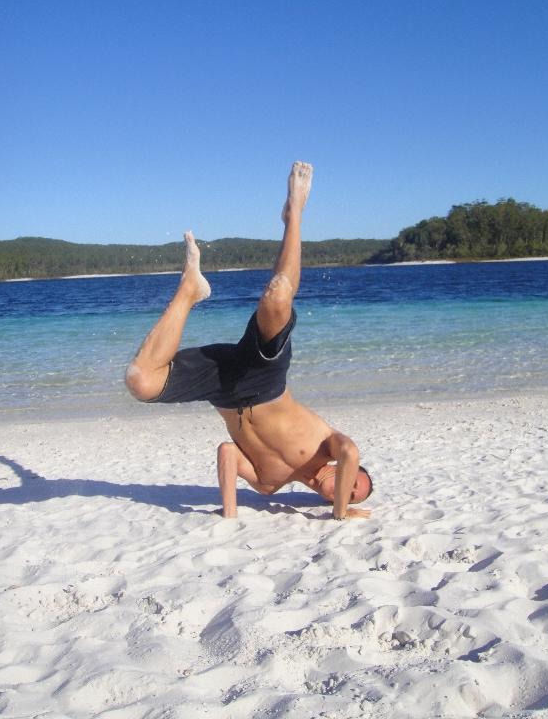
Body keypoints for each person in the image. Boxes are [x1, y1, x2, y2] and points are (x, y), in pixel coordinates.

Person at [125, 162, 372, 520]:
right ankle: (295, 214)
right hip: (263, 380)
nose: (346, 491)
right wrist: (339, 514)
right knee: (276, 297)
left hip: (222, 388)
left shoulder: (269, 484)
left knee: (140, 381)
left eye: (350, 498)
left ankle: (190, 289)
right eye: (354, 485)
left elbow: (228, 452)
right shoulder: (327, 447)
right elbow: (349, 451)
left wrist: (229, 514)